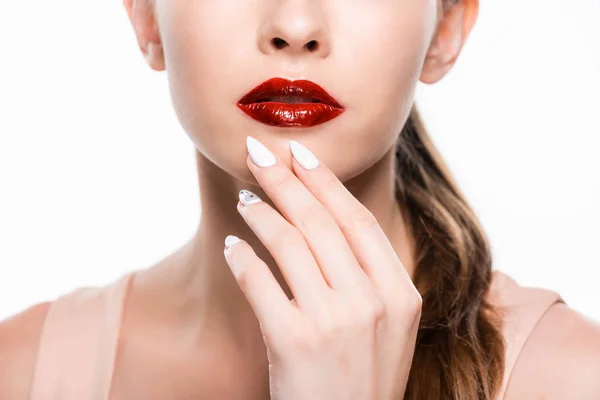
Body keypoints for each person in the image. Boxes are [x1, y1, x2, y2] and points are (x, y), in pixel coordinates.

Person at [1, 0, 599, 398]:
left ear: (445, 29)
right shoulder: (22, 372)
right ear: (146, 16)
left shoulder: (572, 378)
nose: (294, 23)